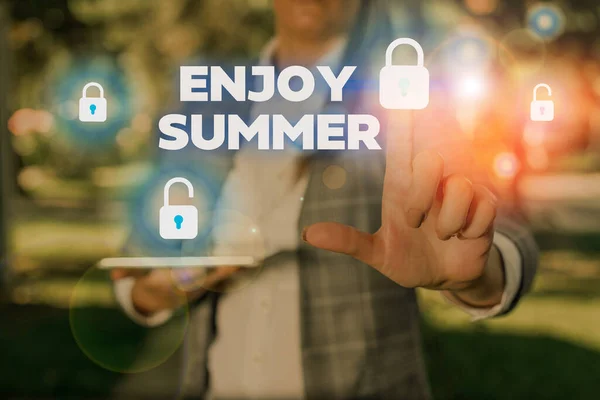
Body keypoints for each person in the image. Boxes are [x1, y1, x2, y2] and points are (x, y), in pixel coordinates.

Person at [112, 1, 538, 398]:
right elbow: (139, 264)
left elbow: (507, 236)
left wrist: (476, 277)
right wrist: (169, 287)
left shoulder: (402, 100)